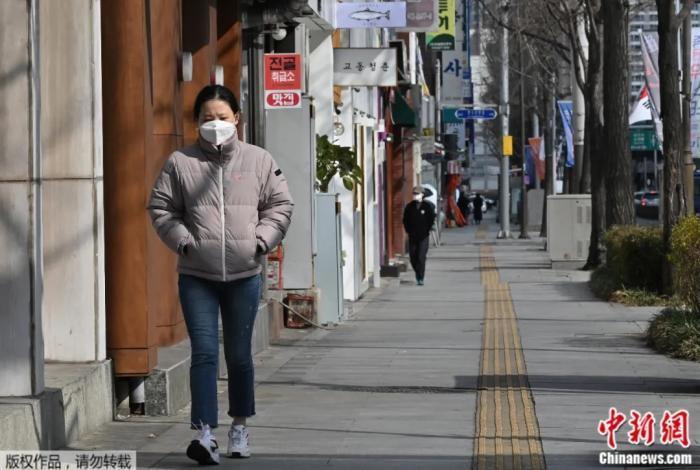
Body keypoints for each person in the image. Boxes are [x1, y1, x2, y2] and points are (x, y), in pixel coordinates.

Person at [148, 85, 293, 464]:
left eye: (222, 118)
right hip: (197, 274)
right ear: (197, 122)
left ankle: (239, 428)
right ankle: (204, 433)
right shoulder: (180, 162)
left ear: (237, 119)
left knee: (240, 355)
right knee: (205, 353)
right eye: (207, 119)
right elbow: (162, 208)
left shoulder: (259, 160)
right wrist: (184, 242)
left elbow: (280, 204)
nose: (215, 125)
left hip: (245, 274)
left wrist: (260, 241)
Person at [403, 186, 436, 286]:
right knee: (413, 257)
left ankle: (420, 277)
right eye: (414, 193)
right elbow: (405, 220)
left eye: (417, 194)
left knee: (421, 257)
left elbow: (431, 219)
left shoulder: (427, 206)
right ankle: (418, 271)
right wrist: (408, 230)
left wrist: (427, 229)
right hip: (412, 236)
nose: (415, 195)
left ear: (422, 195)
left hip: (423, 236)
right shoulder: (409, 207)